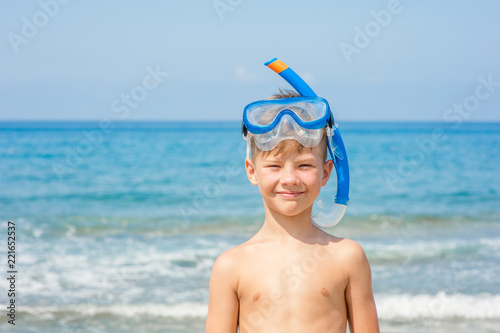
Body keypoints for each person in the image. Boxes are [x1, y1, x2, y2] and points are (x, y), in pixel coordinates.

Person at [205, 59, 379, 333]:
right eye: (274, 166)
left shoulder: (348, 257)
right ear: (252, 171)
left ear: (325, 172)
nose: (289, 179)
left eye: (304, 165)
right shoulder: (231, 266)